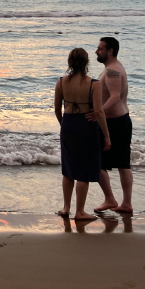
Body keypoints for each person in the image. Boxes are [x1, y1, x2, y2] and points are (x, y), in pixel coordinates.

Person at [54, 47, 111, 221]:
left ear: (69, 62)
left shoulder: (61, 82)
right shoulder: (94, 84)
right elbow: (99, 112)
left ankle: (66, 208)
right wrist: (107, 136)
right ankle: (80, 212)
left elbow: (57, 109)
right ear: (86, 63)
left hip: (68, 124)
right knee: (84, 170)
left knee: (69, 169)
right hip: (86, 126)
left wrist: (64, 124)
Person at [88, 36, 134, 214]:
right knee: (123, 164)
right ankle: (125, 203)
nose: (96, 51)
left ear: (110, 51)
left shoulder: (111, 71)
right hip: (122, 120)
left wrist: (98, 112)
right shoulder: (116, 67)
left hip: (114, 123)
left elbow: (114, 96)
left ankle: (110, 199)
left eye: (100, 49)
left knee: (97, 161)